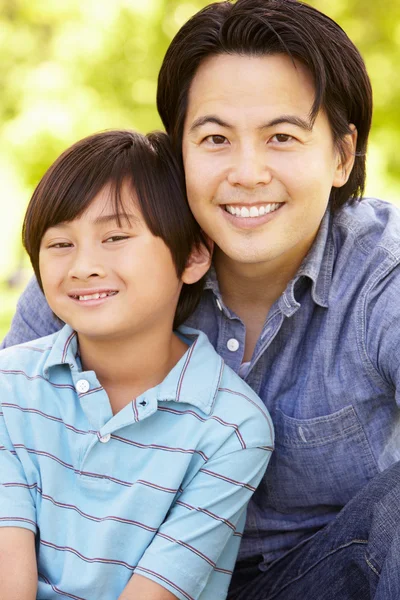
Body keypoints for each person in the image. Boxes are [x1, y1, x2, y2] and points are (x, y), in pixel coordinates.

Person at [3, 0, 400, 598]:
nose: (246, 172)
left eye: (282, 137)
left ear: (342, 156)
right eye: (215, 137)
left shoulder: (381, 278)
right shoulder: (96, 275)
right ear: (179, 148)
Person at [0, 129, 273, 600]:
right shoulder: (11, 386)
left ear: (192, 255)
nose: (83, 266)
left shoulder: (232, 428)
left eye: (115, 236)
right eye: (60, 244)